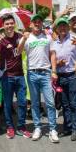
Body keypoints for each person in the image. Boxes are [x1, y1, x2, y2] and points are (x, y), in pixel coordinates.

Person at [18, 14, 59, 143]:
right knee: (35, 103)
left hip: (46, 73)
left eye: (39, 21)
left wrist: (54, 71)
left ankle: (53, 129)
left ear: (42, 23)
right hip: (32, 73)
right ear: (30, 24)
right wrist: (23, 39)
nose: (37, 23)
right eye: (34, 22)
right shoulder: (26, 37)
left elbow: (52, 54)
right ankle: (37, 127)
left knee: (50, 102)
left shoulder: (48, 36)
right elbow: (18, 52)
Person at [0, 14, 31, 139]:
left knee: (22, 102)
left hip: (20, 75)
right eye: (6, 24)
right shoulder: (0, 39)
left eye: (11, 23)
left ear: (14, 24)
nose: (9, 26)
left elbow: (19, 52)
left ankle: (21, 126)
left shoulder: (20, 36)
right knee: (8, 103)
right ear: (3, 26)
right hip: (6, 76)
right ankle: (10, 126)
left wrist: (24, 39)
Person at [51, 18, 76, 140]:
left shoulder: (75, 40)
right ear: (57, 29)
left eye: (64, 26)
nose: (62, 28)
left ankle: (75, 129)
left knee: (74, 104)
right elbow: (53, 60)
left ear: (68, 27)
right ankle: (67, 128)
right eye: (60, 27)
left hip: (73, 75)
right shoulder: (54, 43)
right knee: (65, 104)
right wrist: (58, 63)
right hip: (60, 76)